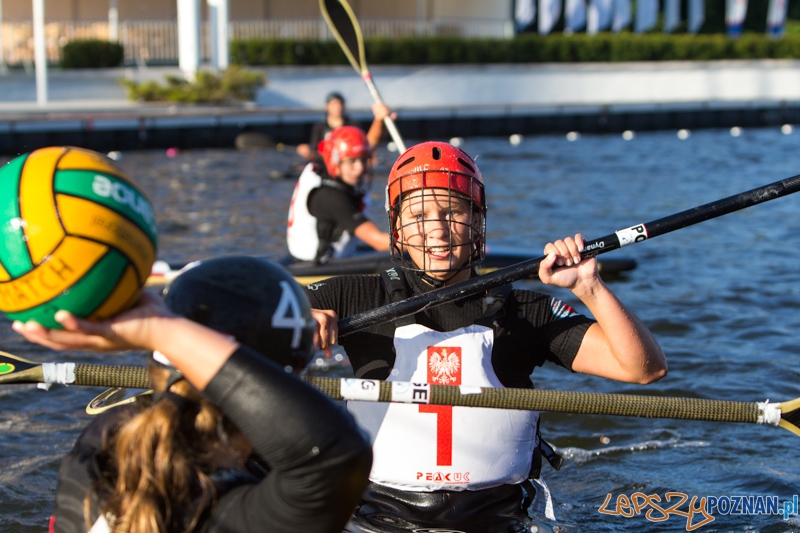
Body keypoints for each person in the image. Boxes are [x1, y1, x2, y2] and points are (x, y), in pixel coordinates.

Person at [307, 141, 668, 532]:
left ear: (476, 220)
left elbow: (643, 369)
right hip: (376, 520)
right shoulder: (353, 297)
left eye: (452, 212)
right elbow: (244, 319)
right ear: (397, 226)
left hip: (499, 520)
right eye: (418, 215)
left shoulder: (525, 310)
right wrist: (295, 318)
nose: (436, 230)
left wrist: (588, 286)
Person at [12, 257, 372, 533]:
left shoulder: (100, 448)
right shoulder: (239, 513)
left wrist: (163, 330)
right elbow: (335, 454)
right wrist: (160, 328)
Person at [287, 125, 390, 263]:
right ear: (336, 162)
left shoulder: (323, 168)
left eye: (363, 160)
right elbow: (380, 242)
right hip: (317, 266)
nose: (359, 168)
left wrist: (379, 121)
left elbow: (363, 145)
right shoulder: (331, 197)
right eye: (352, 161)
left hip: (336, 257)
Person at [296, 92, 392, 162]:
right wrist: (307, 152)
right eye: (334, 104)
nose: (338, 107)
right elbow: (314, 149)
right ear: (327, 106)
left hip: (347, 161)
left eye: (340, 104)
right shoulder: (319, 126)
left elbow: (367, 144)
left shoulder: (353, 125)